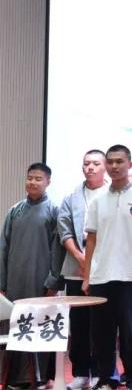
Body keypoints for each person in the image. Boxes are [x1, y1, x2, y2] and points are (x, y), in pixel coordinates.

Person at [83, 145, 132, 390]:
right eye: (110, 162)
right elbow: (91, 239)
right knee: (102, 332)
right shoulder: (97, 199)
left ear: (129, 163)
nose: (114, 166)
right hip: (101, 276)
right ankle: (107, 378)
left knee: (131, 333)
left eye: (119, 161)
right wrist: (87, 276)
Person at [1, 162, 60, 388]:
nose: (32, 182)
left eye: (38, 179)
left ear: (48, 182)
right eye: (29, 178)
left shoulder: (54, 211)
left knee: (41, 327)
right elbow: (3, 247)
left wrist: (53, 282)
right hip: (15, 282)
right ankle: (14, 378)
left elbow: (58, 249)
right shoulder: (15, 210)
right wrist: (2, 282)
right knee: (17, 326)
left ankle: (40, 377)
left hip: (41, 281)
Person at [55, 149, 108, 390]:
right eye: (86, 163)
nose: (90, 168)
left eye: (96, 163)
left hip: (104, 267)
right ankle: (80, 373)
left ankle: (99, 372)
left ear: (105, 167)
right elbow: (64, 231)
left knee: (101, 323)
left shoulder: (112, 194)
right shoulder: (71, 197)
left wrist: (94, 261)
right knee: (78, 323)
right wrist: (80, 257)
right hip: (75, 267)